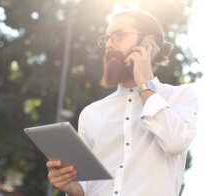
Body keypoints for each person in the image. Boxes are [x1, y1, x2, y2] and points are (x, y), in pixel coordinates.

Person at [46, 9, 198, 196]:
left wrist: (144, 83)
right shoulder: (91, 113)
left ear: (148, 43)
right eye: (107, 38)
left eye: (118, 35)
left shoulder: (180, 95)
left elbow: (175, 142)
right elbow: (85, 187)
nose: (109, 44)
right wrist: (74, 189)